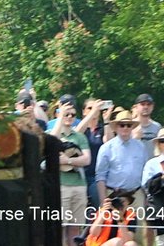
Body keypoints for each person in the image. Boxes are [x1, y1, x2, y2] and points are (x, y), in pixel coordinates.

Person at [48, 102, 91, 246]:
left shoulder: (80, 137)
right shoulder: (52, 132)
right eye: (66, 114)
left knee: (75, 228)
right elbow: (50, 145)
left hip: (79, 185)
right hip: (60, 186)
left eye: (72, 114)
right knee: (59, 227)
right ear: (58, 114)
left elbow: (87, 159)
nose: (70, 117)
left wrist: (68, 161)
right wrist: (60, 117)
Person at [95, 110, 147, 206]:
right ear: (116, 127)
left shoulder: (141, 146)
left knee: (140, 217)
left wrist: (146, 196)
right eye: (122, 125)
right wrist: (103, 200)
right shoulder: (106, 148)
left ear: (132, 127)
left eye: (128, 125)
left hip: (137, 195)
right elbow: (100, 176)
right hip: (114, 196)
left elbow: (145, 172)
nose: (125, 128)